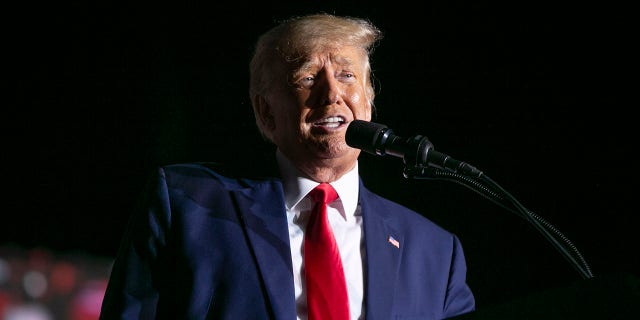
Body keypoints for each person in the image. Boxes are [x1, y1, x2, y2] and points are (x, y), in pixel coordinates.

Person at [99, 13, 475, 320]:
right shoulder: (187, 204)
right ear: (266, 111)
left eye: (346, 75)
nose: (332, 94)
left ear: (369, 102)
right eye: (308, 78)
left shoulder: (435, 253)